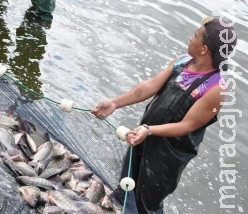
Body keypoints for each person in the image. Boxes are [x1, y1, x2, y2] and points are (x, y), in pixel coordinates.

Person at [91, 17, 237, 214]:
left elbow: (187, 126)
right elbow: (150, 86)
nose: (189, 38)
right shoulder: (183, 62)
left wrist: (150, 130)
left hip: (169, 154)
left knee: (148, 203)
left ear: (204, 49)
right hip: (144, 136)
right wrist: (115, 102)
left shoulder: (215, 89)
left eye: (194, 35)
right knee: (127, 182)